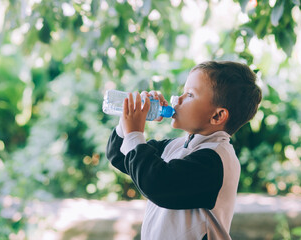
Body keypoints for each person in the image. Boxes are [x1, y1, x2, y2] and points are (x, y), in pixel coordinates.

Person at [106, 60, 262, 240]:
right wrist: (127, 122)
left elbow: (158, 185)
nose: (176, 99)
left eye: (189, 95)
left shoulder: (216, 159)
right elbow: (119, 155)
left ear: (217, 115)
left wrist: (135, 133)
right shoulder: (176, 146)